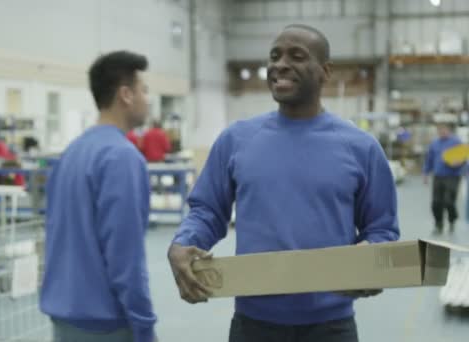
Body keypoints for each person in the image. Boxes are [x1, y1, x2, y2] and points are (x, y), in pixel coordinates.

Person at [168, 24, 399, 342]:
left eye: (297, 56)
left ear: (325, 71)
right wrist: (183, 243)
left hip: (331, 327)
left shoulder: (361, 148)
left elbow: (382, 229)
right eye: (274, 56)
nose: (280, 64)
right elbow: (207, 210)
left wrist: (371, 259)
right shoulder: (237, 140)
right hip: (254, 325)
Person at [40, 51, 157, 342]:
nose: (148, 99)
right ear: (126, 95)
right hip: (105, 324)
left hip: (65, 317)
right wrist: (144, 327)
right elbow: (125, 255)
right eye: (144, 90)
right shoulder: (122, 157)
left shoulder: (72, 152)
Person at [423, 123, 464, 233]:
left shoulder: (456, 142)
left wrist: (458, 162)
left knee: (449, 201)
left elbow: (464, 159)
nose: (442, 132)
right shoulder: (435, 144)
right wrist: (426, 173)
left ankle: (452, 220)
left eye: (444, 130)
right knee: (436, 202)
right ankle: (438, 223)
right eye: (440, 130)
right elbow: (429, 159)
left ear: (448, 130)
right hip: (438, 176)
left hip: (452, 176)